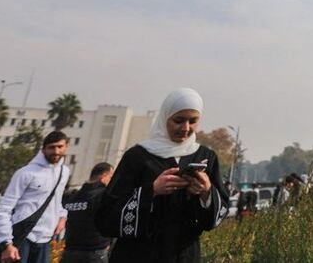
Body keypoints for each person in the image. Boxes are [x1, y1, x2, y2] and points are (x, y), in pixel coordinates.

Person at [95, 88, 229, 262]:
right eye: (179, 120)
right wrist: (151, 192)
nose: (186, 128)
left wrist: (206, 193)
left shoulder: (205, 157)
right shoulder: (138, 156)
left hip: (184, 255)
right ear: (165, 117)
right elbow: (106, 215)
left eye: (193, 121)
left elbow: (218, 214)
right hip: (138, 254)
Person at [0, 131, 70, 263]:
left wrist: (63, 216)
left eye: (60, 146)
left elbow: (57, 201)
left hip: (45, 238)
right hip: (22, 236)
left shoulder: (64, 172)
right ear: (43, 149)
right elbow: (4, 208)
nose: (56, 151)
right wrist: (6, 243)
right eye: (51, 147)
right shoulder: (26, 173)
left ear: (66, 147)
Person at [60, 162, 113, 262]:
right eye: (111, 177)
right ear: (104, 177)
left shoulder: (72, 196)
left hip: (70, 252)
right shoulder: (103, 195)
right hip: (95, 252)